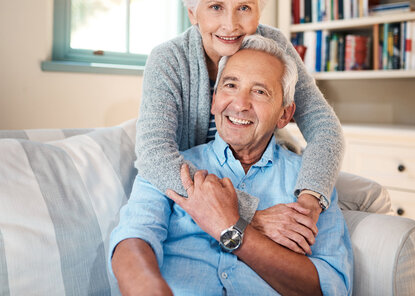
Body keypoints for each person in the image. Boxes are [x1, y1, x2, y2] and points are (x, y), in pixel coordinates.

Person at [135, 0, 344, 254]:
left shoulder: (274, 46)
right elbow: (154, 154)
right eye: (216, 7)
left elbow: (325, 126)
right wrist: (248, 216)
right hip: (197, 189)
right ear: (193, 12)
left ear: (259, 10)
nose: (230, 25)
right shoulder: (168, 59)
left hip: (266, 177)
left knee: (363, 194)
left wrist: (308, 202)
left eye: (244, 8)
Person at [110, 35, 353, 295]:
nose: (240, 104)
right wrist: (150, 288)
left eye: (259, 91)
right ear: (214, 100)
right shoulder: (171, 167)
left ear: (284, 114)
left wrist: (234, 228)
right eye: (230, 85)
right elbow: (133, 239)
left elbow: (329, 286)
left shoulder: (309, 186)